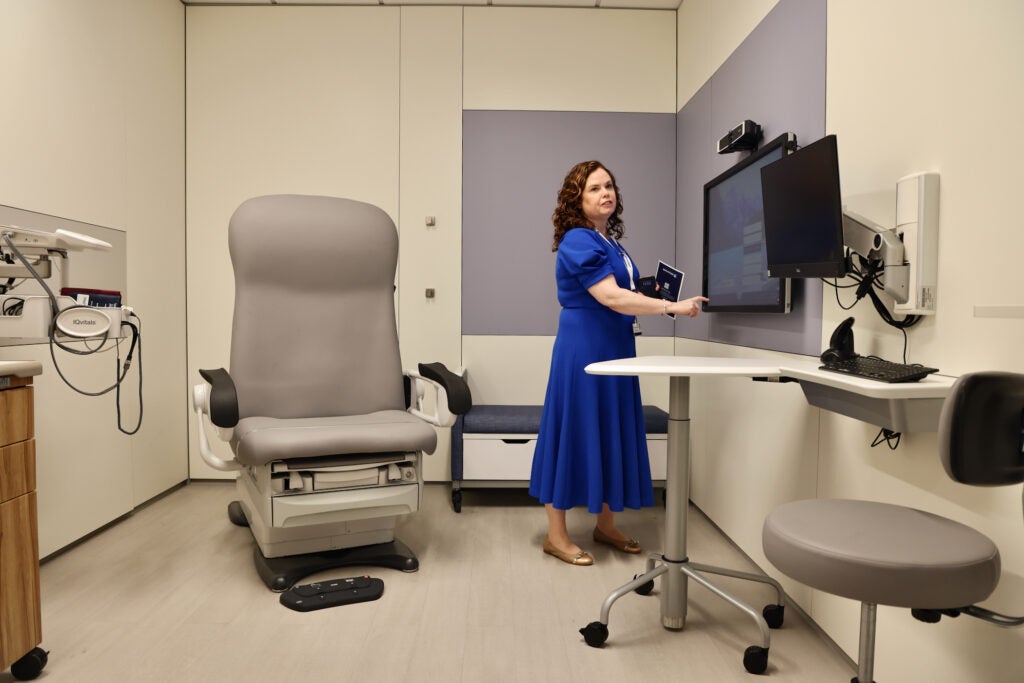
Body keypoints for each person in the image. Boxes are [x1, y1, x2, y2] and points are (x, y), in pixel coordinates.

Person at [529, 160, 708, 566]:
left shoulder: (609, 243)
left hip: (615, 344)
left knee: (609, 427)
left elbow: (623, 292)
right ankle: (555, 535)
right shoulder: (578, 239)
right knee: (573, 429)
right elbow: (611, 297)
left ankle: (604, 525)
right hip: (585, 347)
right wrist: (671, 307)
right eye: (594, 188)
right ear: (577, 199)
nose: (605, 193)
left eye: (609, 185)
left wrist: (652, 292)